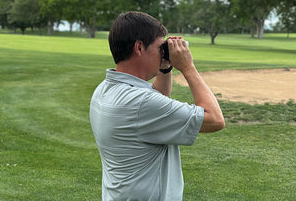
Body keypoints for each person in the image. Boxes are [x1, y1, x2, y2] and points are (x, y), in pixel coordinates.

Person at [90, 11, 225, 201]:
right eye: (159, 46)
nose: (163, 51)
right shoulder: (140, 103)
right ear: (139, 47)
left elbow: (158, 102)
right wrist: (188, 67)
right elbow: (215, 119)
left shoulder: (104, 89)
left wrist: (165, 66)